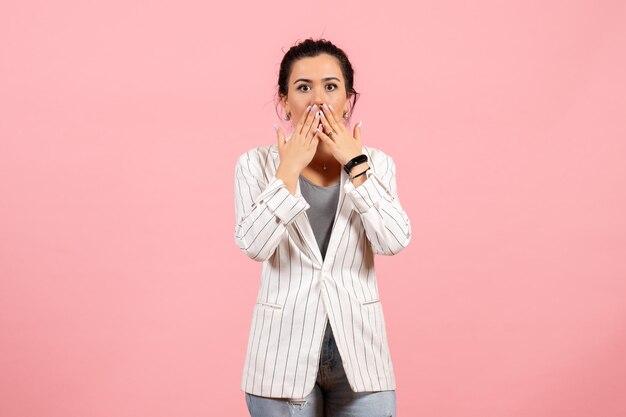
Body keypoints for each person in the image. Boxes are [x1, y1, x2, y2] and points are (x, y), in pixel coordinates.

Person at [234, 38, 412, 417]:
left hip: (360, 354)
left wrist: (357, 166)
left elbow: (394, 240)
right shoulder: (254, 165)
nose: (318, 98)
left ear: (348, 100)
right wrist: (287, 172)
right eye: (303, 87)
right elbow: (253, 245)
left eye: (331, 86)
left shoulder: (376, 163)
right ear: (284, 101)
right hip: (281, 354)